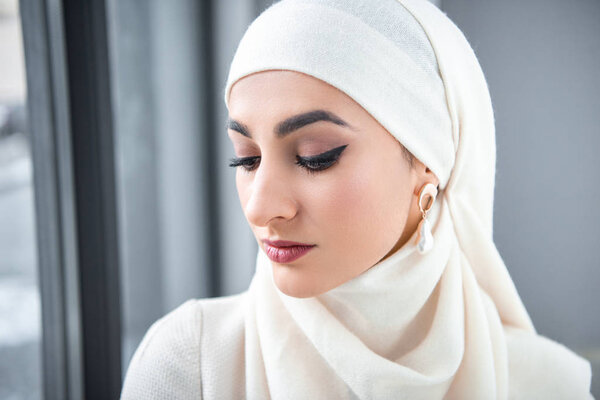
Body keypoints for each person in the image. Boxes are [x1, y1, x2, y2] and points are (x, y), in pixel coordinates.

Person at [120, 0, 594, 398]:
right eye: (246, 159)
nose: (260, 207)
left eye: (315, 156)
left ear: (427, 162)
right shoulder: (192, 364)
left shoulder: (548, 386)